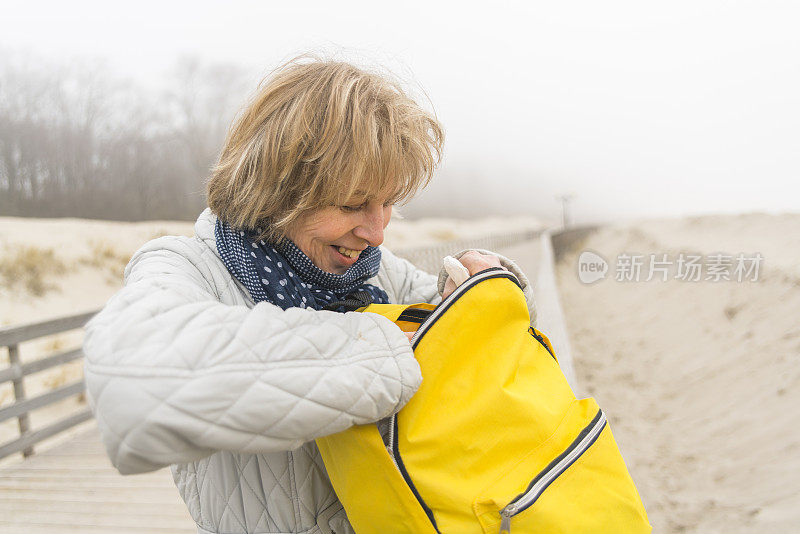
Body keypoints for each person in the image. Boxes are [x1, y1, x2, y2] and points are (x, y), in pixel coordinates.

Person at [82, 56, 538, 534]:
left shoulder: (377, 274)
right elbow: (129, 387)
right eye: (352, 204)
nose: (377, 232)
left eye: (388, 203)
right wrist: (376, 350)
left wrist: (488, 288)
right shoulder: (188, 268)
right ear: (276, 189)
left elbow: (499, 339)